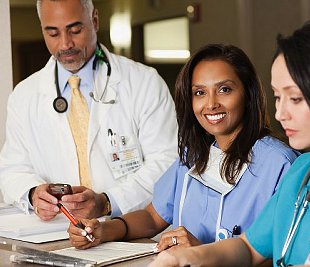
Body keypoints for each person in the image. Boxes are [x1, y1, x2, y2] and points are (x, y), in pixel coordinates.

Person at [149, 20, 310, 267]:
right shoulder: (304, 170)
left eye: (295, 98)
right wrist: (187, 257)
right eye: (278, 97)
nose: (280, 113)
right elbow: (247, 248)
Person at [67, 44, 298, 251]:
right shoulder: (193, 156)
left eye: (224, 89)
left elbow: (285, 252)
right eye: (199, 93)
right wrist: (102, 231)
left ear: (248, 94)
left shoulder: (280, 164)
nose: (211, 104)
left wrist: (204, 254)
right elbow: (152, 217)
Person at [0, 0, 178, 221]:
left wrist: (107, 201)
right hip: (56, 232)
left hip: (131, 231)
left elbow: (167, 161)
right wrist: (32, 193)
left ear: (94, 20)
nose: (65, 44)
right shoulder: (24, 95)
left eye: (75, 30)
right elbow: (12, 170)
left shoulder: (144, 82)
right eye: (53, 33)